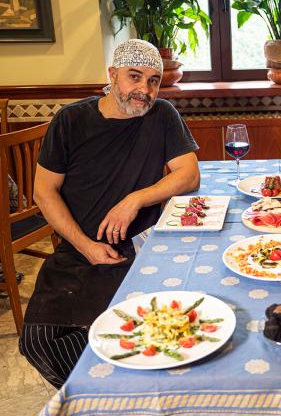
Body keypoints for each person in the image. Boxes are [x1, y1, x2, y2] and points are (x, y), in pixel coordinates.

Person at [18, 39, 200, 388]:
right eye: (134, 77)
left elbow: (189, 174)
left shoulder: (162, 115)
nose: (144, 90)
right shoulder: (71, 120)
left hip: (139, 250)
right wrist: (86, 245)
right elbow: (44, 192)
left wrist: (134, 199)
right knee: (37, 342)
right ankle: (114, 395)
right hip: (78, 247)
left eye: (153, 81)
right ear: (112, 74)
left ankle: (124, 394)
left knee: (133, 330)